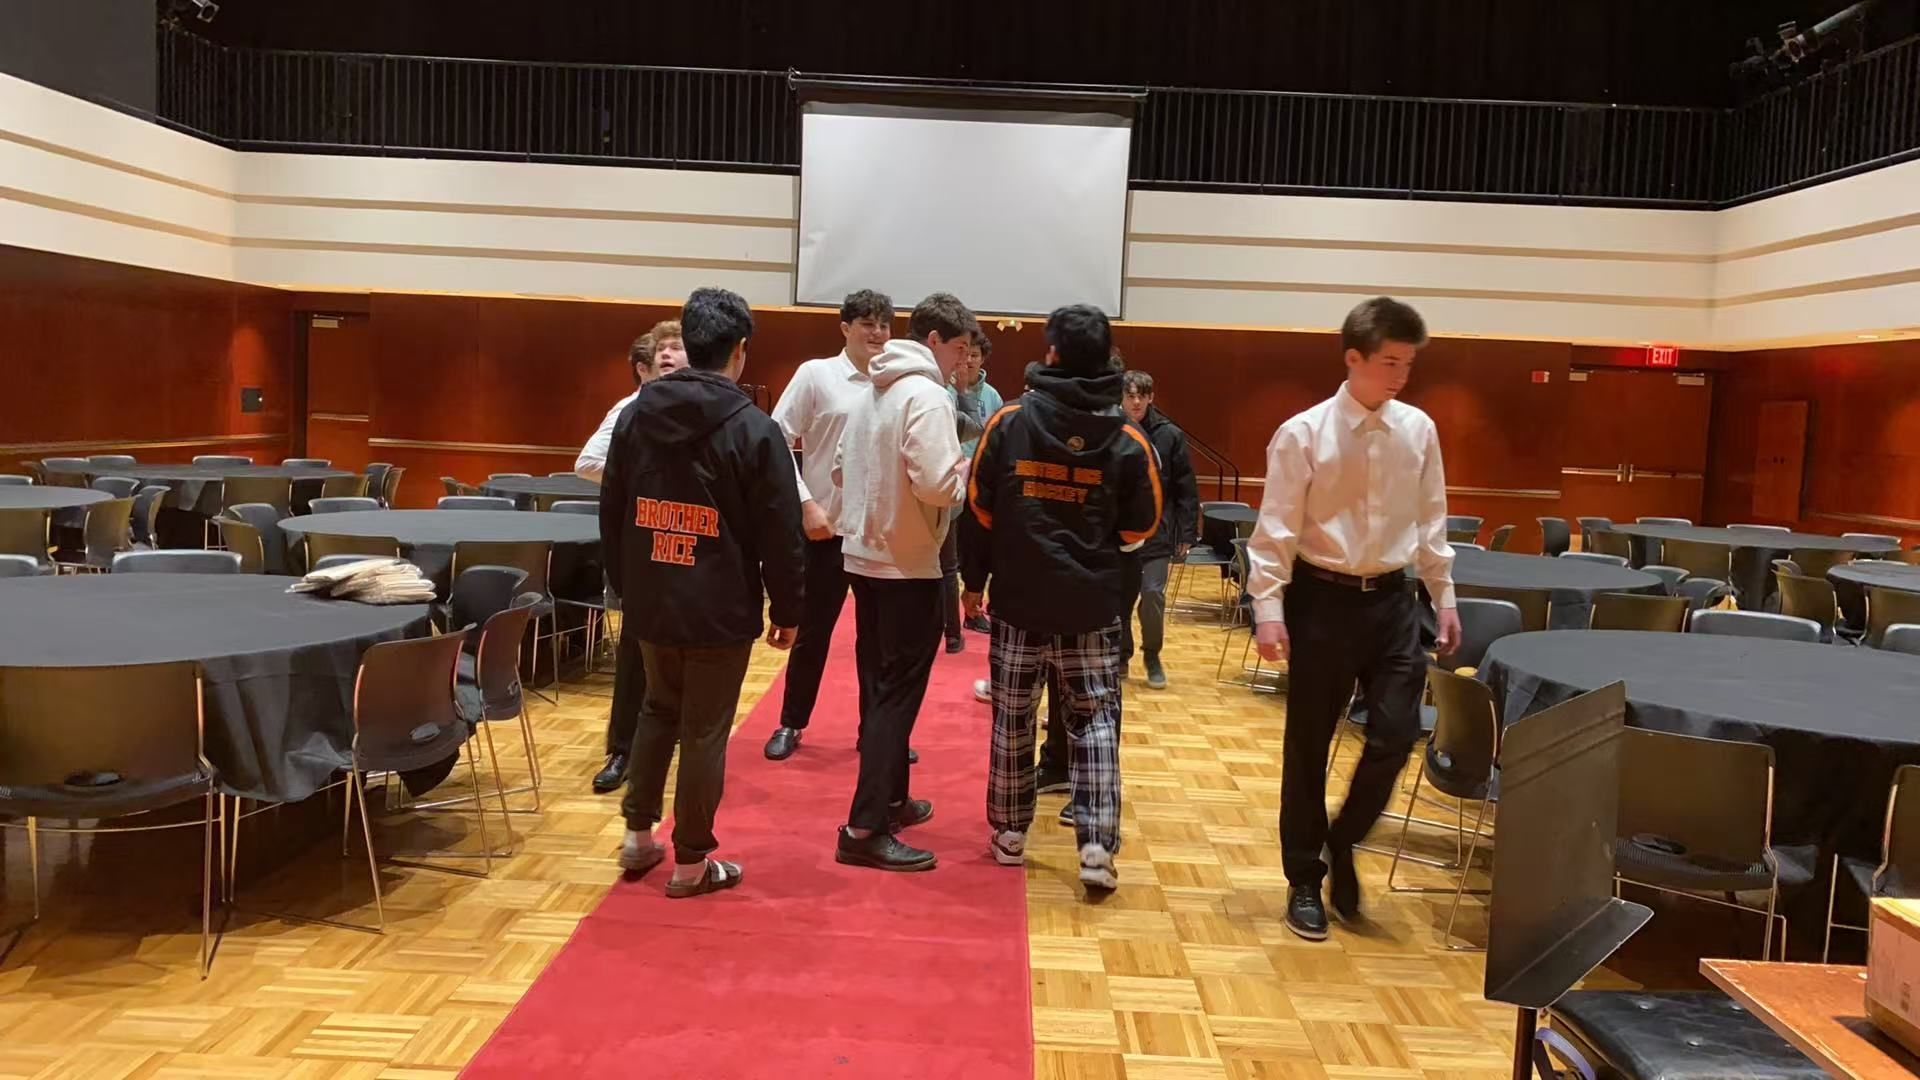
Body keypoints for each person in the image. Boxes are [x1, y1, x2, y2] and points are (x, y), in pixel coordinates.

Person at [1247, 296, 1460, 941]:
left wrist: (1443, 596)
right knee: (1307, 746)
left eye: (1409, 363)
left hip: (1395, 603)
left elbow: (1432, 521)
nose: (1401, 375)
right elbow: (1275, 529)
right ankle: (1304, 878)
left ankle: (1342, 840)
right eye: (1390, 362)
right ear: (1354, 359)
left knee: (1397, 734)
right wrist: (1267, 608)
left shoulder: (1419, 430)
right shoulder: (1303, 433)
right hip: (1322, 600)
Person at [601, 287, 805, 897]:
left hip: (651, 598)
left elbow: (612, 509)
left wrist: (626, 584)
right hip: (720, 606)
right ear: (739, 350)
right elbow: (781, 531)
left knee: (657, 709)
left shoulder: (635, 413)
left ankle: (638, 838)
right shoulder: (753, 428)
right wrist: (789, 608)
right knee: (706, 728)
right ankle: (692, 862)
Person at [962, 304, 1161, 894]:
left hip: (1019, 602)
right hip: (1093, 607)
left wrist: (974, 582)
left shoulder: (1009, 421)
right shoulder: (1128, 438)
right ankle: (1096, 846)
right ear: (1107, 362)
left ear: (1049, 354)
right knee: (1095, 720)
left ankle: (1010, 834)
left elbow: (980, 509)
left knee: (1012, 716)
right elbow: (1139, 529)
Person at [832, 291, 976, 872]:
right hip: (908, 564)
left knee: (877, 688)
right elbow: (939, 487)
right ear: (934, 341)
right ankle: (864, 828)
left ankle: (891, 799)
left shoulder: (870, 388)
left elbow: (840, 469)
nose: (963, 362)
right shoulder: (926, 395)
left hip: (864, 558)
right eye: (960, 348)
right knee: (895, 698)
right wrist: (963, 475)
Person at [761, 289, 892, 762]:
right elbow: (775, 438)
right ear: (845, 328)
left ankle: (876, 732)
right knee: (812, 634)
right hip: (824, 532)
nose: (877, 334)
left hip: (878, 536)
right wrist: (805, 503)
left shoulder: (895, 382)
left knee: (877, 644)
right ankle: (791, 722)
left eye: (883, 325)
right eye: (867, 325)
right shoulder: (816, 375)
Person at [576, 322, 689, 794]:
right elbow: (586, 464)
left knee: (688, 653)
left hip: (692, 545)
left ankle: (675, 740)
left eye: (677, 347)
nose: (667, 354)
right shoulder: (628, 408)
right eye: (661, 348)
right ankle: (622, 749)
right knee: (634, 653)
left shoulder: (705, 412)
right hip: (643, 547)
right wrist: (640, 487)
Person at [1118, 369, 1199, 690]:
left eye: (1142, 395)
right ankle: (1120, 656)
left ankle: (1152, 654)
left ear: (1151, 398)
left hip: (1157, 533)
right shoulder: (1113, 431)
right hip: (1120, 535)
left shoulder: (1170, 435)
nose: (1136, 402)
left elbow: (1186, 489)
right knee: (1119, 600)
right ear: (1121, 398)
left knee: (1152, 595)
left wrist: (1187, 533)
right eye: (1130, 395)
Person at [941, 332, 1002, 652]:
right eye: (965, 354)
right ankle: (949, 625)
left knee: (976, 556)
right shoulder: (943, 389)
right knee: (948, 559)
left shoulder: (992, 396)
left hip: (979, 484)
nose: (969, 360)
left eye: (975, 355)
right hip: (948, 482)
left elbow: (993, 436)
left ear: (983, 357)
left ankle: (972, 612)